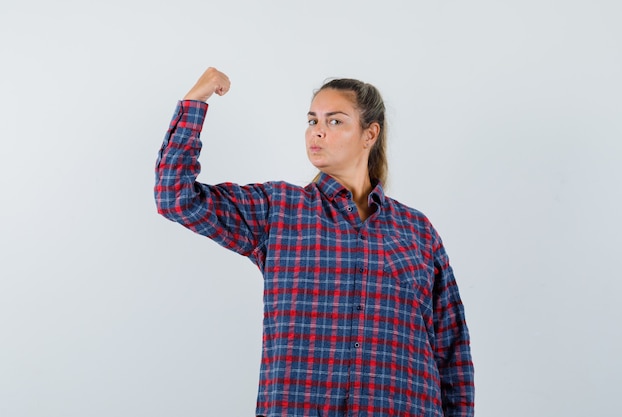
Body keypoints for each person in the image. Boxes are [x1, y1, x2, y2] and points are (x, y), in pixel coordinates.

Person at [154, 67, 474, 417]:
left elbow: (451, 351)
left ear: (370, 134)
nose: (317, 131)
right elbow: (176, 198)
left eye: (334, 122)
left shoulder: (417, 231)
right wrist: (195, 102)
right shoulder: (278, 210)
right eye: (312, 121)